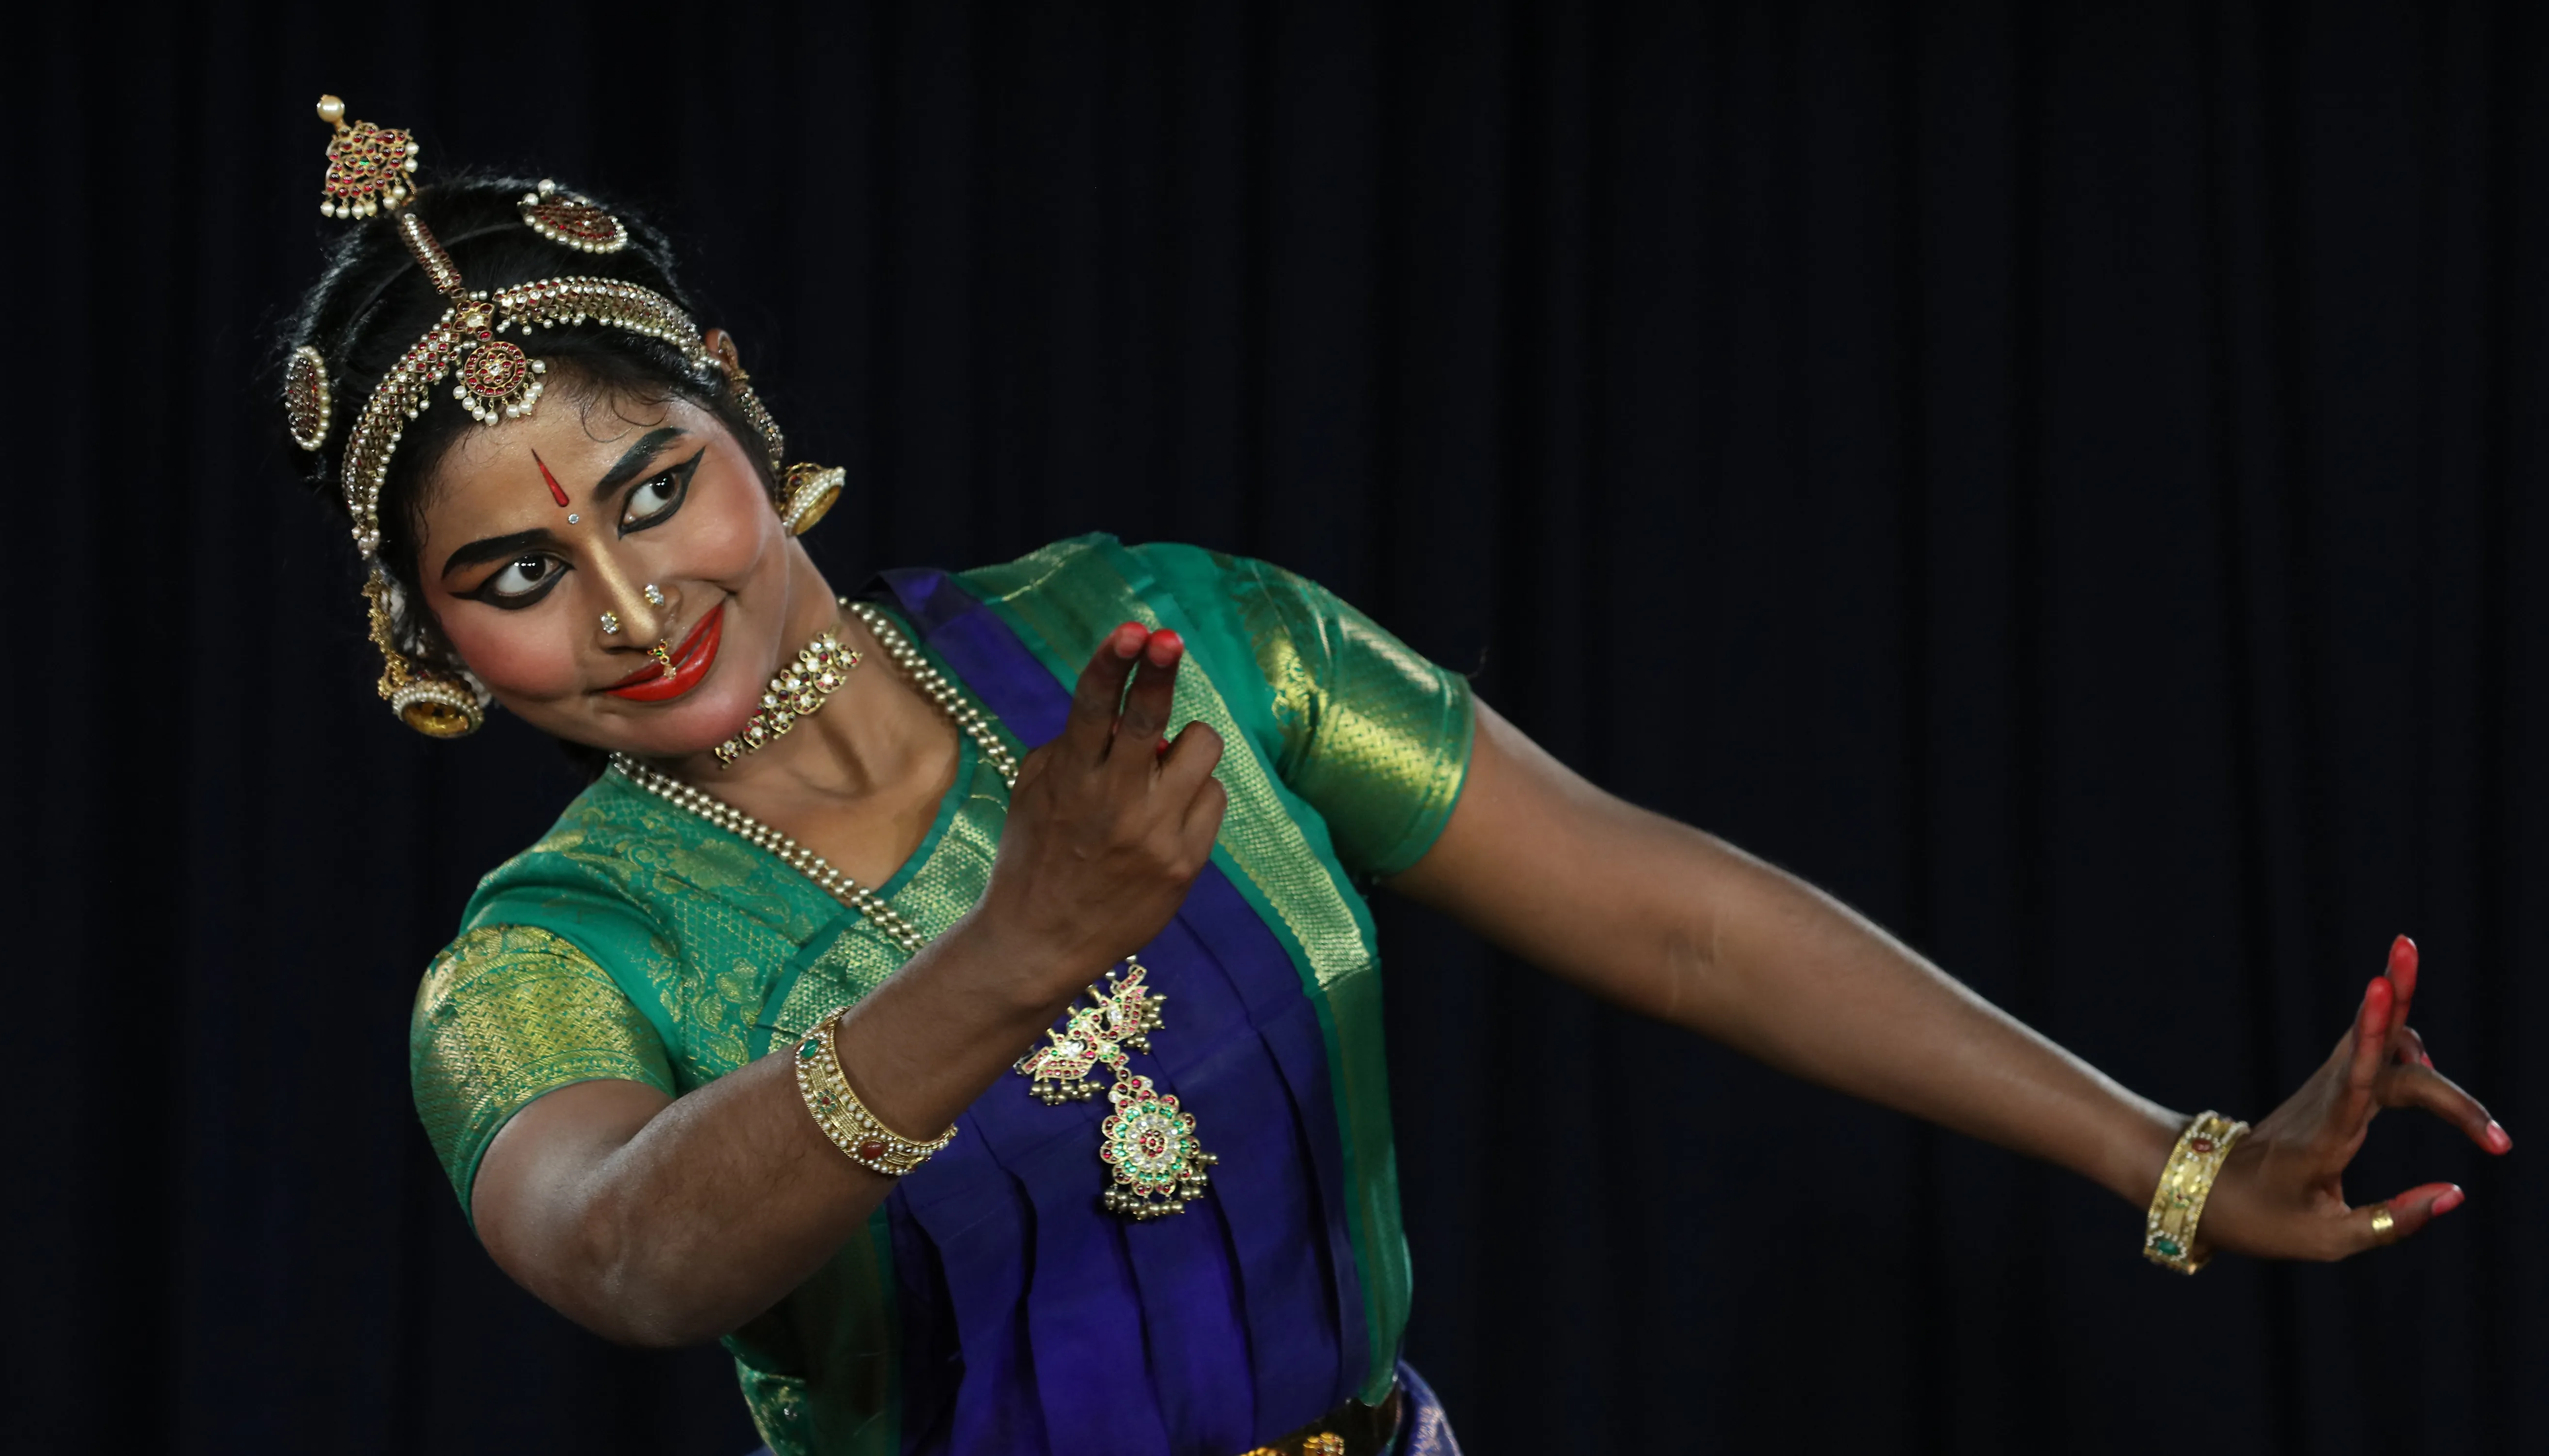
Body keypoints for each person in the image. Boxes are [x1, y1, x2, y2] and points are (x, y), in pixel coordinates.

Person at [275, 99, 2510, 1456]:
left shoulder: (1154, 634)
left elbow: (1672, 914)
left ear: (745, 418)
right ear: (426, 640)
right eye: (515, 570)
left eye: (653, 486)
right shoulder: (549, 959)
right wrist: (1014, 950)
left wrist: (2174, 1155)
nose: (630, 597)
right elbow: (628, 1253)